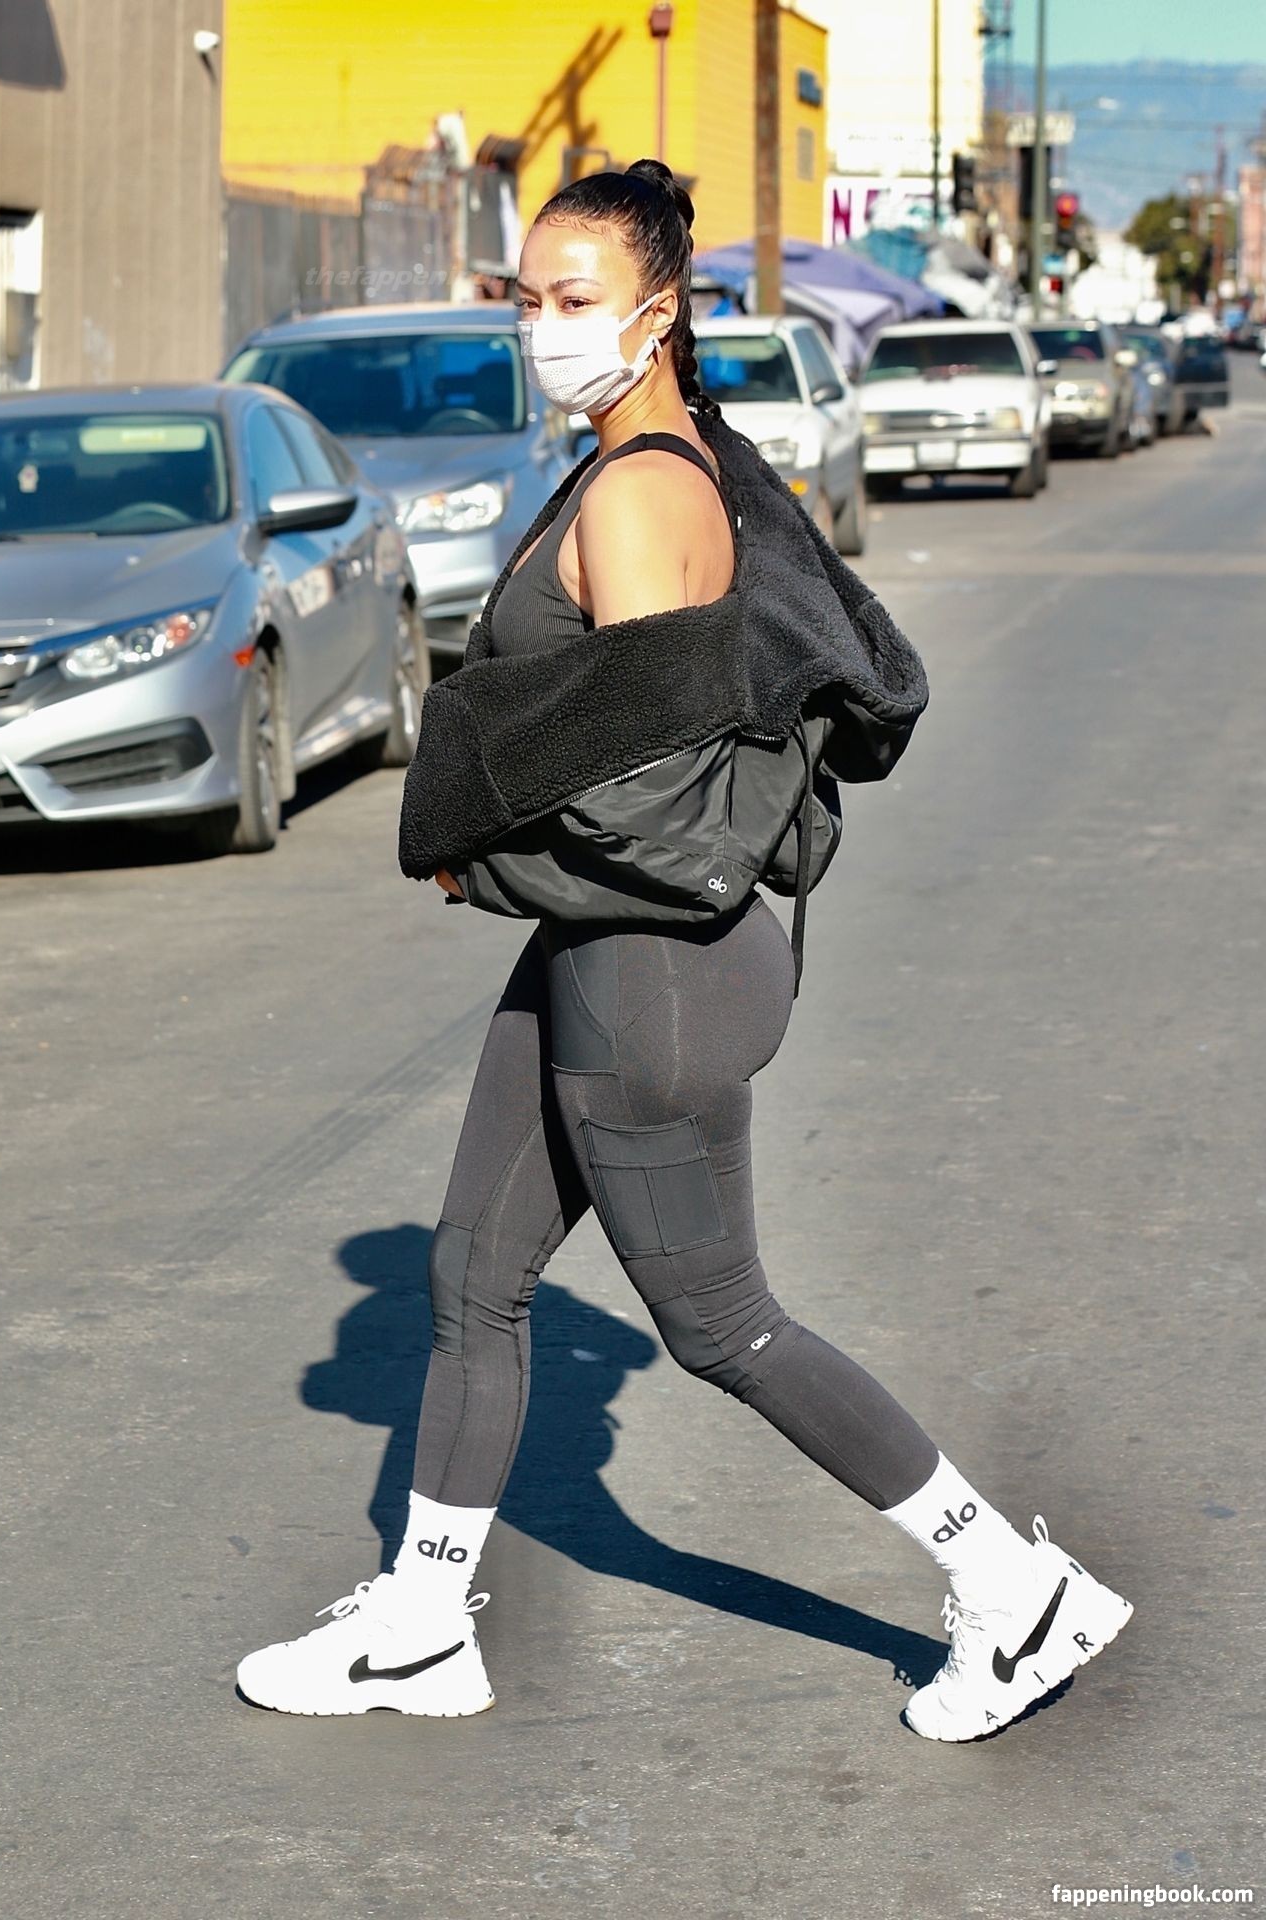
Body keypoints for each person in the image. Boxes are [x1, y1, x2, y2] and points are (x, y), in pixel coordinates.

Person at [237, 159, 1132, 1743]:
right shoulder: (647, 460)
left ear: (657, 314)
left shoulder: (644, 494)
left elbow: (655, 806)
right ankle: (424, 1626)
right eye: (527, 297)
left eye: (573, 299)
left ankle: (1014, 1587)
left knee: (724, 1324)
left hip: (650, 967)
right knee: (471, 1273)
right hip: (597, 950)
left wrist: (473, 852)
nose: (542, 326)